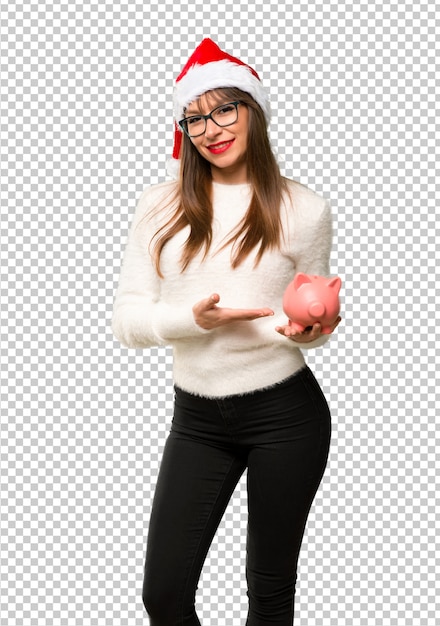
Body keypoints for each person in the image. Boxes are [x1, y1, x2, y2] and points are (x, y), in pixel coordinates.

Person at [112, 38, 341, 626]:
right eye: (194, 116)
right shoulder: (158, 207)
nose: (210, 128)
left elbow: (306, 324)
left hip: (286, 417)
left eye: (225, 109)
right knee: (163, 595)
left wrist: (309, 331)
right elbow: (127, 321)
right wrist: (193, 320)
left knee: (268, 596)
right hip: (196, 422)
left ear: (253, 111)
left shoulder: (305, 209)